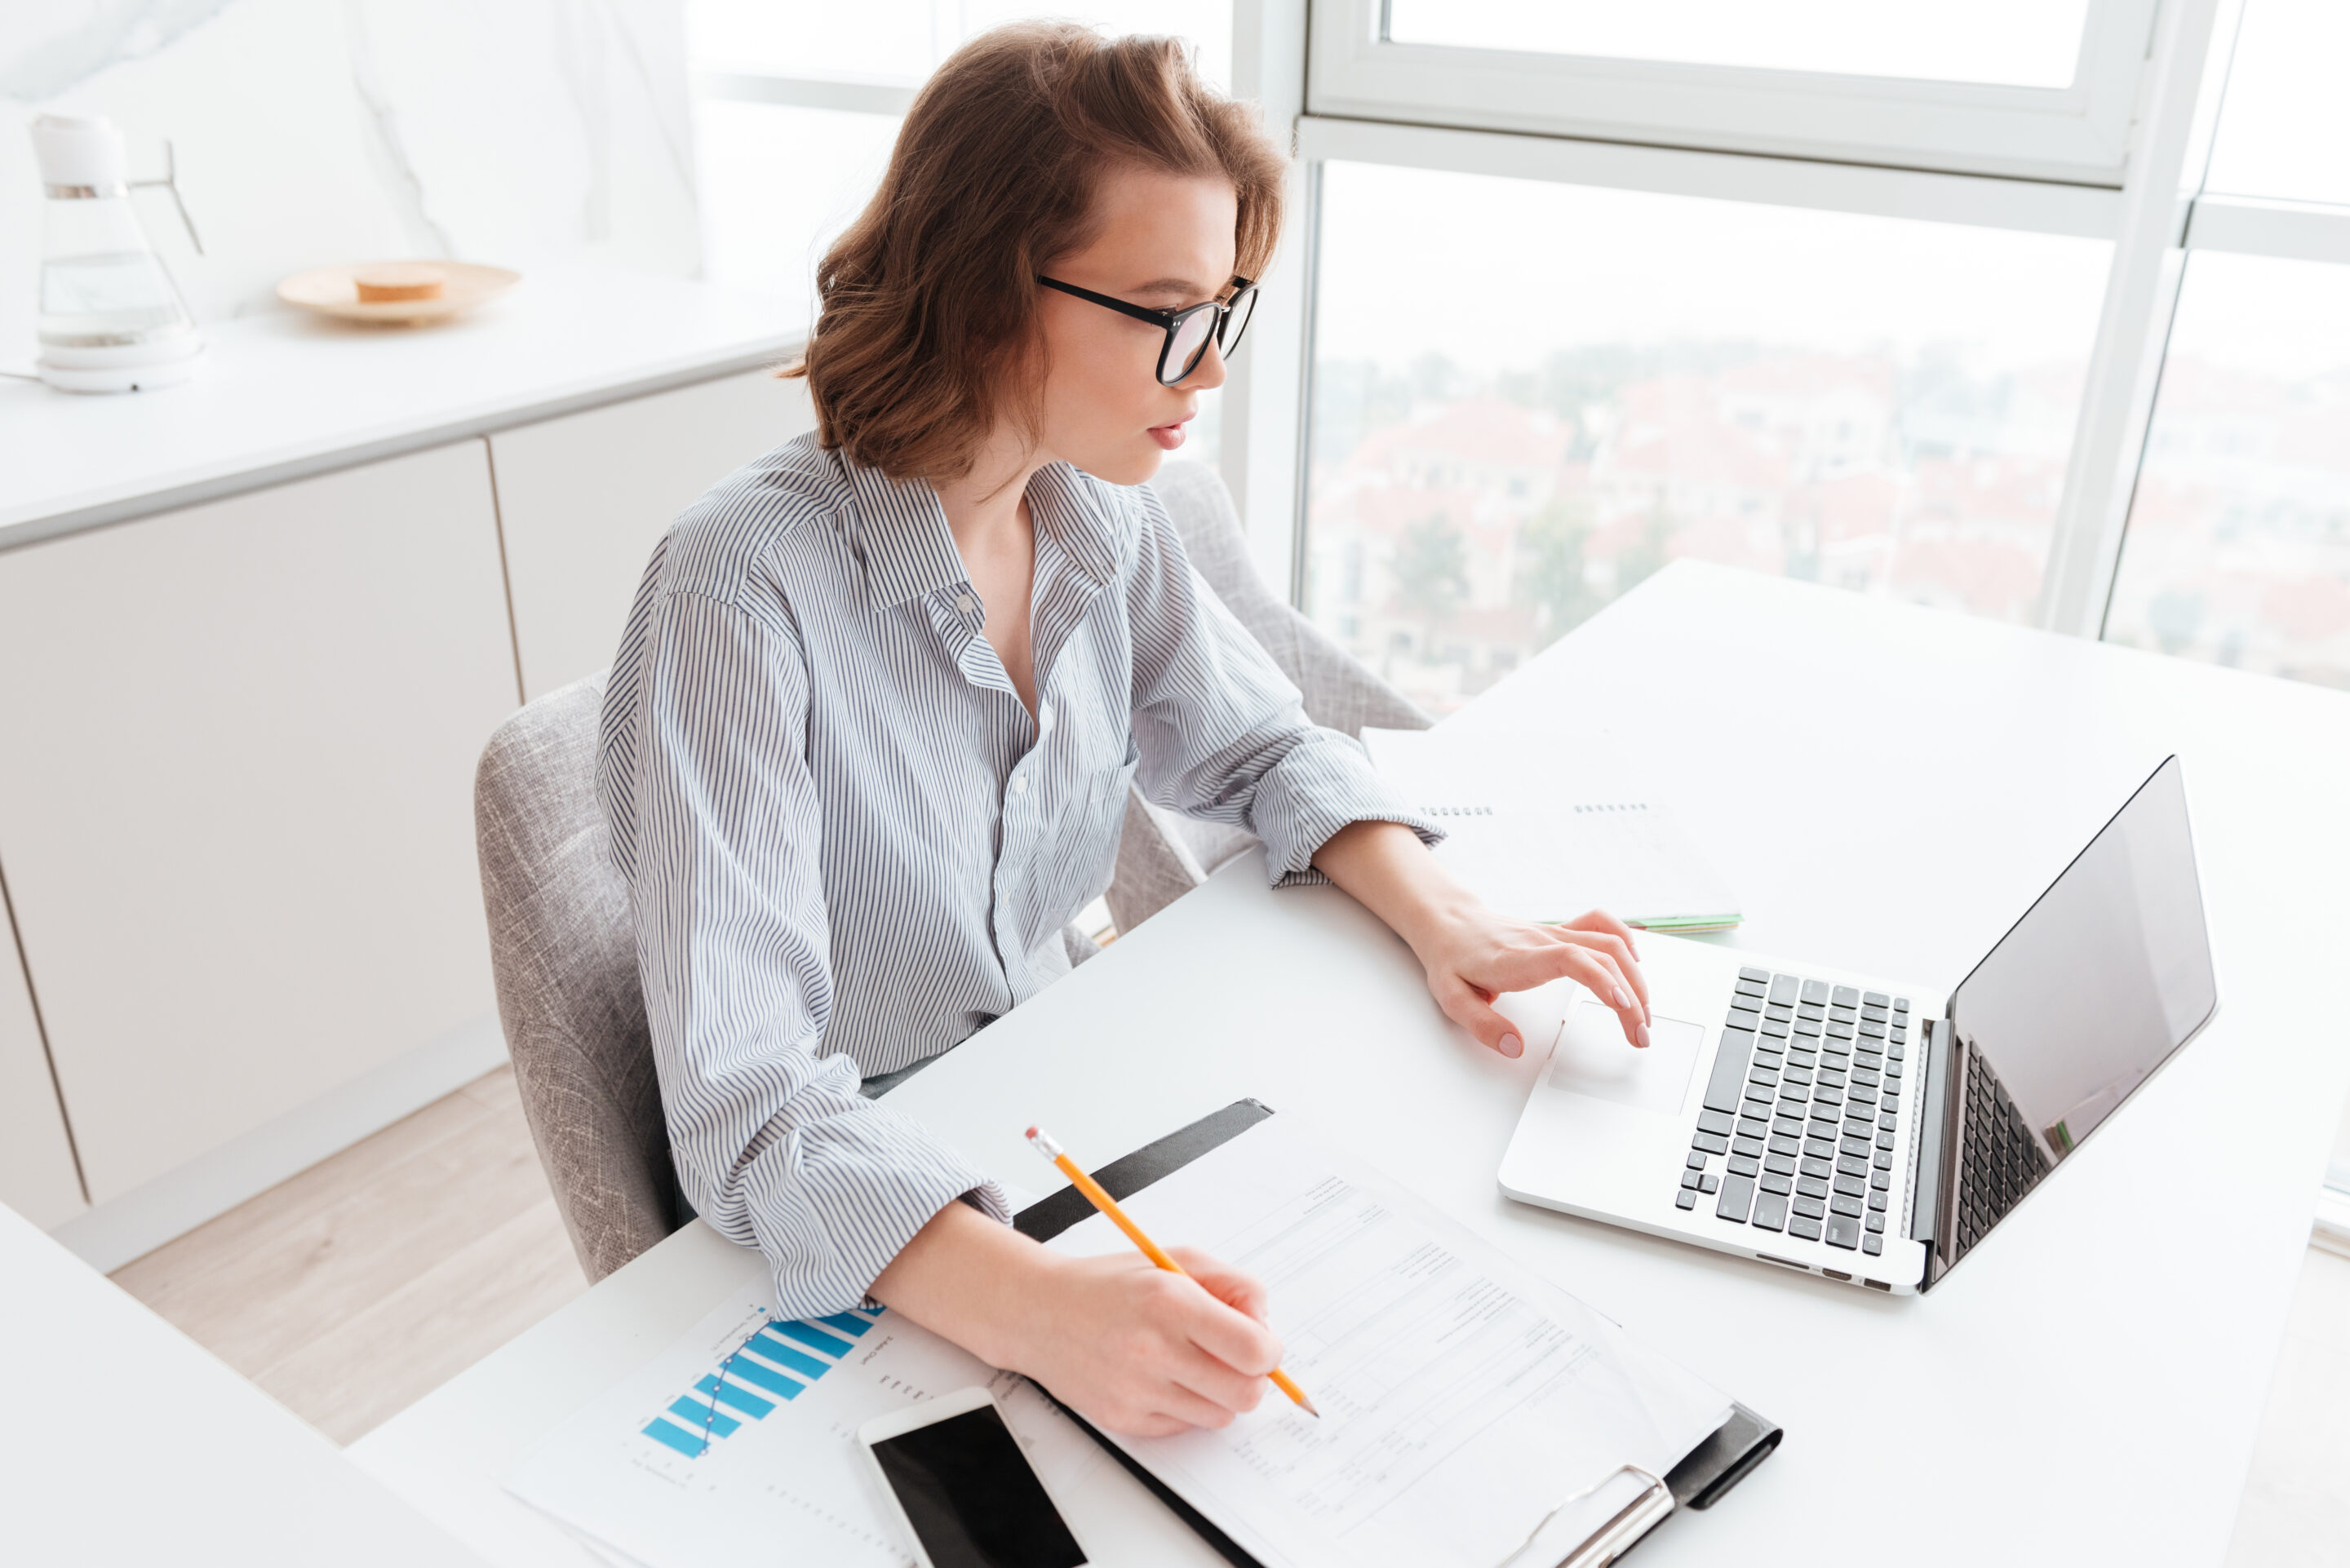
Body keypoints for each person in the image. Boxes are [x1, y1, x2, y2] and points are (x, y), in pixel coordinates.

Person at [597, 21, 1651, 1441]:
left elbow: (1268, 751)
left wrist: (1445, 913)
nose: (1206, 371)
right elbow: (749, 1108)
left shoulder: (1092, 521)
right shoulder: (739, 592)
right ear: (983, 294)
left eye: (1224, 309)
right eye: (1167, 312)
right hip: (853, 1235)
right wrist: (1044, 1311)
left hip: (1053, 1113)